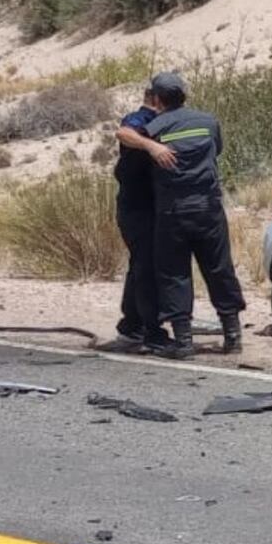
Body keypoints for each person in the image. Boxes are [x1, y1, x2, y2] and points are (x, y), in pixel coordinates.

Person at [116, 72, 245, 360]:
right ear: (184, 95)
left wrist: (152, 146)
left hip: (173, 213)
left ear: (157, 99)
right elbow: (217, 151)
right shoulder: (208, 122)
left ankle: (183, 342)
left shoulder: (154, 128)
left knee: (175, 275)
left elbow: (125, 135)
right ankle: (233, 335)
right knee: (219, 269)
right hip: (209, 209)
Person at [97, 88, 169, 354]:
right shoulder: (140, 119)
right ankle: (147, 331)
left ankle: (133, 326)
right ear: (156, 100)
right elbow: (124, 133)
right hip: (136, 209)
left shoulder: (170, 122)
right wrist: (152, 146)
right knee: (145, 268)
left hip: (155, 208)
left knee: (142, 266)